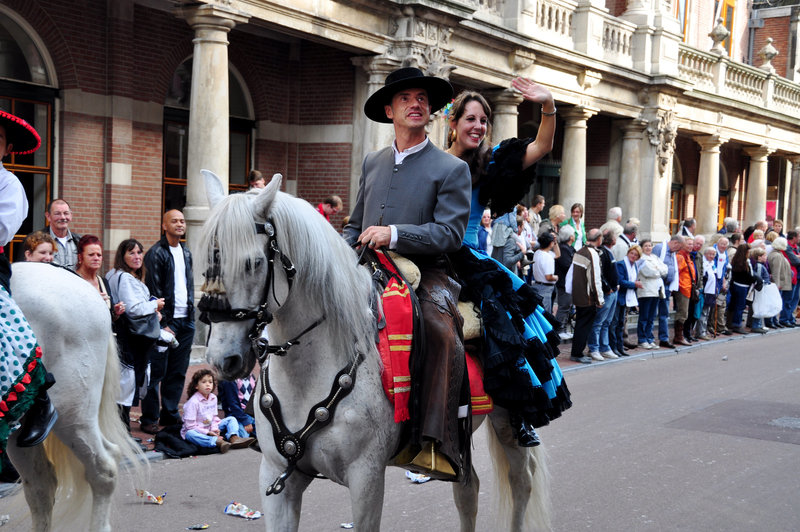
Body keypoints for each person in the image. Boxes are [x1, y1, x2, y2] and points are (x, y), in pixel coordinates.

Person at [343, 67, 471, 479]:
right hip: (368, 264)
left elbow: (450, 233)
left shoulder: (451, 168)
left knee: (439, 329)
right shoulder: (372, 161)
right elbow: (354, 223)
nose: (415, 104)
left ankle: (437, 442)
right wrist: (339, 254)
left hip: (428, 271)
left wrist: (394, 233)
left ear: (430, 111)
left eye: (422, 98)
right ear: (389, 109)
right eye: (405, 98)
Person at [443, 83, 570, 448]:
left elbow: (542, 146)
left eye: (484, 120)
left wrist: (548, 104)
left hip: (469, 260)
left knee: (508, 327)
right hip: (429, 251)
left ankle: (515, 415)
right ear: (453, 123)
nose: (478, 126)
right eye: (470, 118)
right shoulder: (431, 160)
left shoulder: (490, 162)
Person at [0, 109, 58, 461]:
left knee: (8, 332)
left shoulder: (8, 184)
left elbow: (1, 229)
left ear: (5, 149)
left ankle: (39, 401)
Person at [141, 210, 195, 434]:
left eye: (182, 221)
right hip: (166, 323)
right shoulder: (156, 253)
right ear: (164, 225)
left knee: (178, 371)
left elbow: (188, 286)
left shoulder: (187, 252)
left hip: (186, 322)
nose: (180, 224)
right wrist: (165, 324)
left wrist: (190, 317)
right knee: (156, 372)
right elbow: (155, 291)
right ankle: (149, 418)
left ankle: (170, 414)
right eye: (174, 221)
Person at [106, 239, 164, 430]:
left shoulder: (114, 275)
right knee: (126, 385)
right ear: (122, 256)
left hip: (124, 336)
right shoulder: (125, 278)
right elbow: (134, 309)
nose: (137, 257)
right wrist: (155, 305)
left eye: (139, 252)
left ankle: (122, 430)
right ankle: (123, 432)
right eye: (131, 253)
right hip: (131, 338)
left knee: (124, 384)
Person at [180, 369, 255, 454]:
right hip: (198, 430)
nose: (208, 384)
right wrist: (208, 432)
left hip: (210, 426)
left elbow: (214, 417)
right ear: (196, 386)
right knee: (189, 434)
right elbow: (190, 426)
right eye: (204, 382)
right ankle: (216, 442)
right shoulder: (193, 402)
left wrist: (214, 428)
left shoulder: (213, 398)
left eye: (210, 382)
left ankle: (233, 437)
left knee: (231, 419)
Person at [568, 229, 603, 364]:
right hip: (587, 296)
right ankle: (577, 353)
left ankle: (576, 351)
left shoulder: (580, 251)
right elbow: (594, 278)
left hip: (578, 294)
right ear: (599, 239)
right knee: (584, 325)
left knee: (580, 324)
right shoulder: (592, 254)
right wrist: (599, 299)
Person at [587, 229, 619, 360]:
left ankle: (605, 347)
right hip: (608, 292)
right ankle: (594, 348)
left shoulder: (608, 252)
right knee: (599, 322)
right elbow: (599, 273)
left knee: (607, 322)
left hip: (613, 291)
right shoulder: (601, 252)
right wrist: (607, 287)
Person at [75, 235, 125, 319]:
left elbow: (109, 318)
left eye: (99, 255)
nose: (96, 258)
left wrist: (115, 312)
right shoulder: (73, 281)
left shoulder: (103, 282)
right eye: (91, 255)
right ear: (80, 257)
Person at [635, 239, 667, 349]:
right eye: (646, 246)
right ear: (642, 247)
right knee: (644, 316)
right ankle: (642, 339)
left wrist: (657, 270)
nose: (648, 248)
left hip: (656, 290)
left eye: (650, 245)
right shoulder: (641, 259)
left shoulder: (655, 257)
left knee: (651, 317)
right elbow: (648, 272)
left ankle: (649, 337)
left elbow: (665, 269)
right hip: (646, 290)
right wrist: (658, 270)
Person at [654, 235, 683, 348]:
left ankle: (664, 339)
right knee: (652, 313)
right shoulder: (659, 248)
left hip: (666, 287)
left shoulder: (672, 252)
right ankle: (648, 338)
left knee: (664, 313)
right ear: (675, 243)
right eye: (679, 247)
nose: (678, 250)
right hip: (657, 286)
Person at [613, 244, 642, 356]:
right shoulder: (621, 264)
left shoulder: (634, 266)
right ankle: (614, 346)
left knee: (621, 323)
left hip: (627, 298)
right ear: (628, 253)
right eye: (632, 253)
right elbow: (621, 281)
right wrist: (634, 284)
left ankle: (620, 347)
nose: (633, 256)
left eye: (636, 255)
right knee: (615, 323)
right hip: (620, 297)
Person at [40, 199, 80, 270]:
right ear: (48, 216)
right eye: (57, 213)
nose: (63, 217)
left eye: (66, 213)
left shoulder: (79, 241)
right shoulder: (37, 241)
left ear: (71, 215)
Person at [728, 243, 757, 334]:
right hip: (743, 286)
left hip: (736, 285)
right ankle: (737, 324)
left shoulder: (735, 260)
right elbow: (748, 275)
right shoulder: (745, 262)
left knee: (735, 305)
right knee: (740, 306)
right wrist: (754, 280)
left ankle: (732, 323)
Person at [218, 373, 257, 438]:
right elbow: (232, 404)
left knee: (265, 432)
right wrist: (245, 421)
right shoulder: (229, 378)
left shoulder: (251, 376)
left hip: (251, 414)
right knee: (243, 436)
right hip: (236, 414)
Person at [554, 225, 575, 340]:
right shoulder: (563, 249)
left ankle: (564, 328)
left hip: (569, 283)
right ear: (570, 237)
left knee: (568, 306)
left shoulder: (570, 249)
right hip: (564, 283)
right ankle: (559, 329)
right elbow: (568, 265)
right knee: (563, 306)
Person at [695, 246, 719, 340]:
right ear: (705, 254)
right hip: (705, 292)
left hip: (711, 292)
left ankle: (704, 330)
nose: (712, 256)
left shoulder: (712, 264)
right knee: (703, 312)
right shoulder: (704, 264)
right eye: (710, 254)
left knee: (707, 312)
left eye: (713, 254)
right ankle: (700, 332)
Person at [769, 237, 792, 329]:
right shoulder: (777, 255)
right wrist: (776, 284)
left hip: (780, 283)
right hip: (779, 284)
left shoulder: (778, 254)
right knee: (775, 303)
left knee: (777, 303)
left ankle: (774, 320)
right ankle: (772, 321)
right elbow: (776, 271)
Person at [532, 231, 558, 313]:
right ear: (550, 243)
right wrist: (556, 277)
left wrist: (555, 242)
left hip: (537, 284)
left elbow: (557, 254)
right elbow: (549, 277)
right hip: (545, 287)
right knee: (545, 313)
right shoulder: (548, 257)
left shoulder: (537, 253)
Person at [748, 247, 771, 334]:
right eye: (764, 256)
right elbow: (758, 278)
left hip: (761, 289)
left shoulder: (761, 265)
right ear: (759, 257)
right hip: (759, 290)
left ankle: (758, 324)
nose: (766, 257)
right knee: (758, 307)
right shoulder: (759, 266)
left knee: (759, 307)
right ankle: (755, 325)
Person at [713, 236, 732, 336]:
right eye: (722, 244)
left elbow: (725, 268)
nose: (724, 246)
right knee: (714, 306)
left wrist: (724, 282)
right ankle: (715, 326)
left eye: (726, 245)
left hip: (722, 282)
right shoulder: (714, 251)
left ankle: (720, 326)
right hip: (714, 282)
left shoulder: (725, 254)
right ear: (718, 243)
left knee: (721, 304)